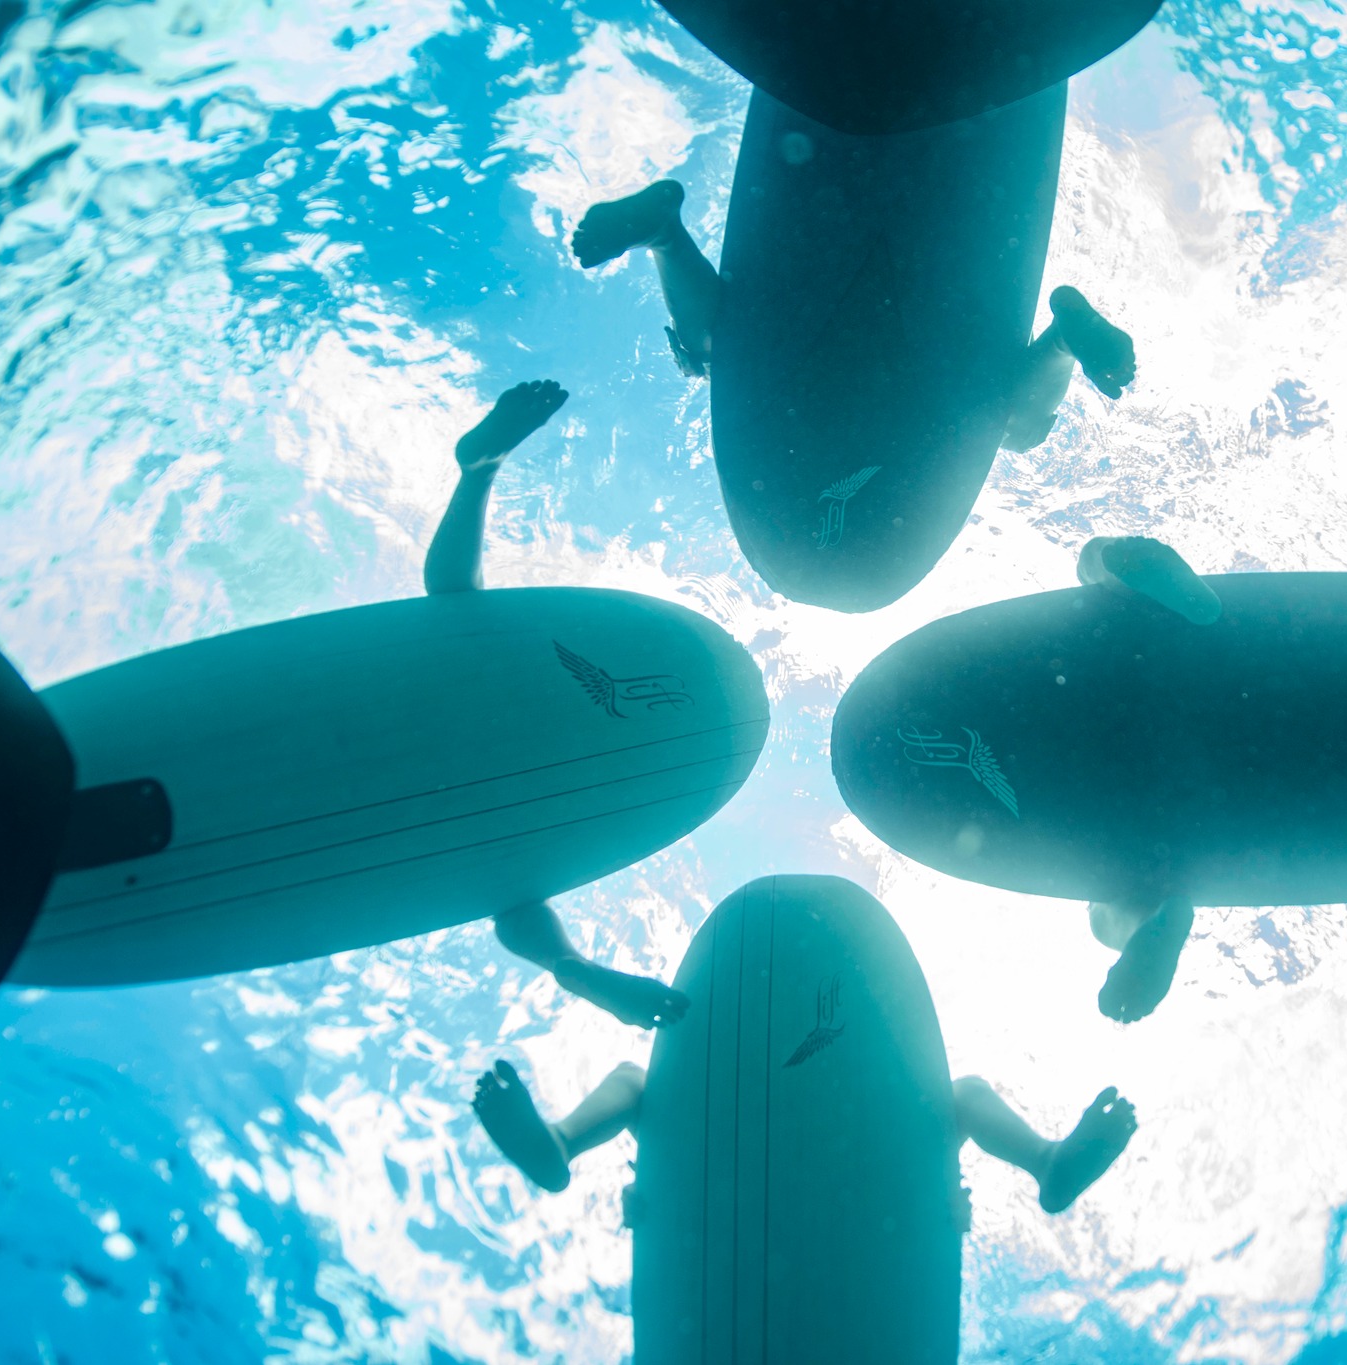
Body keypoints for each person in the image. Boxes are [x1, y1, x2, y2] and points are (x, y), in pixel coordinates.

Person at [422, 377, 690, 1031]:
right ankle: (573, 967)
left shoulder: (557, 779)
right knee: (457, 615)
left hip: (478, 759)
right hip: (483, 759)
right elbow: (513, 909)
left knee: (456, 612)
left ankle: (480, 468)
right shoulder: (565, 775)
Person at [569, 179, 1138, 453]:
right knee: (716, 358)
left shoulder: (849, 431)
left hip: (881, 349)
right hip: (895, 346)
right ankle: (665, 236)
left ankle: (1063, 338)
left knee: (1015, 430)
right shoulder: (823, 424)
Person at [472, 1058, 1136, 1219]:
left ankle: (563, 1142)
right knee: (959, 1094)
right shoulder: (755, 1087)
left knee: (635, 1081)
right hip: (845, 1179)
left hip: (771, 1173)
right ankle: (1044, 1160)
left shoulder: (755, 1086)